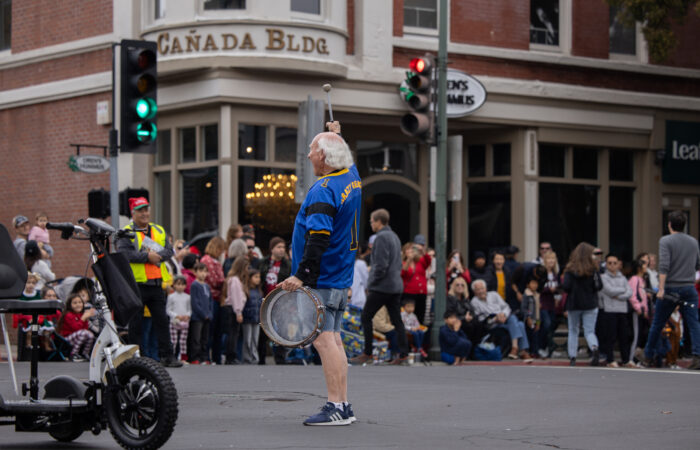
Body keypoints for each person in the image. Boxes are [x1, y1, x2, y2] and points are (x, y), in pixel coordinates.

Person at [278, 127, 361, 426]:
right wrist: (339, 135)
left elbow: (318, 238)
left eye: (312, 149)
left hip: (322, 278)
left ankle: (335, 405)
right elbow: (349, 162)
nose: (309, 154)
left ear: (324, 156)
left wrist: (302, 275)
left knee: (324, 341)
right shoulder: (351, 179)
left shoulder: (323, 189)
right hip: (339, 275)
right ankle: (344, 404)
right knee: (334, 340)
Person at [116, 196, 182, 368]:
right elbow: (124, 254)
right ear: (133, 213)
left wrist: (158, 256)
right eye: (140, 210)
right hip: (136, 283)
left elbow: (169, 250)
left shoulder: (158, 230)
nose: (144, 213)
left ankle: (167, 356)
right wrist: (148, 256)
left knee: (162, 321)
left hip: (155, 283)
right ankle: (136, 357)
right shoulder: (127, 231)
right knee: (136, 323)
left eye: (146, 209)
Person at [637, 211, 700, 370]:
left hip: (671, 287)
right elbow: (697, 264)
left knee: (657, 322)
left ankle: (648, 355)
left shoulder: (666, 240)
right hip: (689, 288)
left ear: (669, 224)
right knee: (693, 324)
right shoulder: (693, 242)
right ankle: (697, 356)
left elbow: (664, 265)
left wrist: (661, 288)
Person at [349, 209, 410, 366]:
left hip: (382, 286)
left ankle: (367, 353)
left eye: (371, 221)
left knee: (366, 317)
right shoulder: (395, 237)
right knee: (397, 320)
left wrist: (371, 283)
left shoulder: (381, 237)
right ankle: (403, 354)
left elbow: (380, 265)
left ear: (378, 221)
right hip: (395, 285)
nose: (371, 224)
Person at [561, 242, 603, 367]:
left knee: (573, 330)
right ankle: (594, 347)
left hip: (574, 304)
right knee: (589, 331)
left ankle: (573, 356)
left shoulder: (570, 269)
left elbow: (566, 287)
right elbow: (599, 286)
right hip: (590, 303)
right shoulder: (593, 269)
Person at [470, 279, 530, 360]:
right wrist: (495, 319)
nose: (481, 291)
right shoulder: (474, 302)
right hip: (492, 324)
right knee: (519, 324)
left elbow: (506, 307)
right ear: (474, 292)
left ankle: (515, 348)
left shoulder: (494, 295)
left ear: (486, 289)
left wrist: (503, 314)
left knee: (514, 319)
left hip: (505, 319)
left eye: (482, 288)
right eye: (478, 289)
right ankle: (522, 351)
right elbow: (480, 320)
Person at [258, 236, 292, 364]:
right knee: (263, 330)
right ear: (272, 249)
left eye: (283, 247)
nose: (282, 250)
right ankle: (261, 358)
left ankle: (280, 358)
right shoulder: (264, 263)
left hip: (281, 301)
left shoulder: (288, 265)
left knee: (281, 330)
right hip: (264, 300)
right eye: (279, 247)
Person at [598, 253, 634, 368]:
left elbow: (629, 292)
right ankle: (610, 359)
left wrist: (619, 294)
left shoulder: (623, 277)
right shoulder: (603, 277)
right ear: (606, 264)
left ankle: (626, 360)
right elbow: (609, 290)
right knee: (610, 336)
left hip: (622, 310)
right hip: (609, 310)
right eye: (610, 263)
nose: (612, 265)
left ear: (619, 264)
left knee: (624, 336)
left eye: (615, 263)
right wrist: (621, 291)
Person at [201, 236, 227, 365]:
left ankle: (216, 357)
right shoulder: (207, 261)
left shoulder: (215, 261)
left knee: (218, 330)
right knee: (210, 330)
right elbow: (214, 280)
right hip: (211, 298)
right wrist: (225, 282)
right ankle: (207, 356)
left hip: (217, 298)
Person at [222, 256, 248, 364]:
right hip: (233, 309)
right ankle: (230, 356)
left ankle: (231, 355)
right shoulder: (235, 281)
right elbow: (236, 297)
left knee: (233, 333)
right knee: (233, 333)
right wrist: (238, 312)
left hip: (231, 308)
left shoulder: (233, 279)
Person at [57, 293, 96, 361]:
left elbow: (85, 329)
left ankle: (85, 353)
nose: (78, 305)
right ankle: (73, 354)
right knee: (84, 333)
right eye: (75, 303)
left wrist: (85, 318)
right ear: (70, 305)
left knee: (90, 335)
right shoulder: (68, 315)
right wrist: (83, 318)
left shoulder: (81, 314)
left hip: (77, 336)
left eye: (80, 302)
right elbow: (76, 328)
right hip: (66, 339)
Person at [401, 241, 432, 325]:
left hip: (421, 293)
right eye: (408, 249)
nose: (411, 251)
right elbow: (402, 273)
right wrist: (409, 259)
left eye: (412, 249)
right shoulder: (402, 263)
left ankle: (419, 334)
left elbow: (428, 261)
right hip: (409, 294)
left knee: (420, 317)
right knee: (408, 318)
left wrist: (422, 251)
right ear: (404, 252)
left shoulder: (420, 261)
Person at [189, 262, 213, 364]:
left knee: (205, 338)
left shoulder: (207, 286)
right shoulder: (194, 285)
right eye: (200, 271)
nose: (203, 274)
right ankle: (195, 357)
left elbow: (210, 301)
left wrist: (210, 313)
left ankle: (204, 357)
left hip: (207, 316)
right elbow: (195, 303)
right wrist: (203, 314)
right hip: (197, 317)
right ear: (195, 272)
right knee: (196, 338)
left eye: (205, 271)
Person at [539, 251, 560, 358]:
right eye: (549, 258)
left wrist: (557, 295)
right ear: (545, 260)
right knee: (545, 325)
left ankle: (550, 348)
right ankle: (541, 347)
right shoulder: (541, 273)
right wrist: (548, 289)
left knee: (552, 325)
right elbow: (538, 288)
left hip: (552, 304)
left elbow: (558, 288)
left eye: (553, 258)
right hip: (543, 303)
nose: (551, 261)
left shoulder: (556, 274)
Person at [628, 256, 650, 361]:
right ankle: (631, 358)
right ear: (639, 268)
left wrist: (645, 310)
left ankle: (637, 357)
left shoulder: (642, 280)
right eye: (644, 265)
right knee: (636, 335)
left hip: (643, 312)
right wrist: (638, 307)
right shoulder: (634, 279)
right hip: (637, 312)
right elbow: (632, 295)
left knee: (643, 334)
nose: (646, 267)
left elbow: (644, 298)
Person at [167, 276, 191, 362]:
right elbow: (168, 310)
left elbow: (189, 309)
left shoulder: (188, 297)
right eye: (178, 284)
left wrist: (187, 315)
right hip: (174, 321)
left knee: (183, 341)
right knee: (173, 340)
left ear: (185, 286)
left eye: (182, 284)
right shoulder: (171, 297)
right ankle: (172, 356)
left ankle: (182, 357)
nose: (180, 286)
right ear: (174, 285)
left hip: (184, 321)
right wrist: (176, 315)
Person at [241, 268, 263, 364]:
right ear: (249, 278)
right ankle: (247, 358)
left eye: (259, 277)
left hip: (256, 318)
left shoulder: (259, 291)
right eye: (256, 277)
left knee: (255, 340)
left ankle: (255, 358)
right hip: (247, 318)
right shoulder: (246, 290)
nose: (258, 279)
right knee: (248, 339)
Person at [519, 276, 541, 357]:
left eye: (536, 283)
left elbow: (538, 311)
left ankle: (535, 352)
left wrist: (538, 322)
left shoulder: (537, 295)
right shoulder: (526, 295)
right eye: (532, 283)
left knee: (535, 336)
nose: (534, 285)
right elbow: (523, 308)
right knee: (528, 335)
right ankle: (527, 351)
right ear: (528, 285)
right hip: (528, 319)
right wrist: (528, 317)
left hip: (535, 319)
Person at [350, 243, 370, 308]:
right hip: (358, 299)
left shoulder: (344, 263)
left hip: (349, 298)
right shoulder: (361, 264)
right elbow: (366, 281)